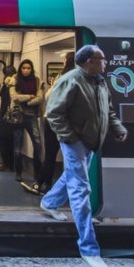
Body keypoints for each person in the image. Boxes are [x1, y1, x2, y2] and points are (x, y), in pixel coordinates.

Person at [40, 45, 128, 267]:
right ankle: (89, 249)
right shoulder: (72, 80)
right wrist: (70, 138)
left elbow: (108, 109)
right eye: (102, 58)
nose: (106, 62)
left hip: (90, 141)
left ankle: (49, 202)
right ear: (89, 61)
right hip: (75, 141)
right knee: (81, 188)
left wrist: (116, 127)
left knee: (72, 176)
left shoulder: (99, 81)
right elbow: (53, 113)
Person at [40, 52, 74, 192]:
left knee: (50, 153)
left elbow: (49, 97)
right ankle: (67, 186)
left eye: (65, 60)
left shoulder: (62, 77)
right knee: (71, 156)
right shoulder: (79, 77)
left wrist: (53, 86)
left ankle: (45, 183)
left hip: (53, 120)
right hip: (69, 122)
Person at [8, 59, 44, 189]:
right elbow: (14, 97)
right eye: (24, 68)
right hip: (18, 115)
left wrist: (27, 101)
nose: (26, 70)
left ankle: (37, 173)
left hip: (31, 115)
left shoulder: (37, 80)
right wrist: (30, 97)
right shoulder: (14, 79)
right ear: (20, 69)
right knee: (18, 146)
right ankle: (18, 172)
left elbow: (40, 98)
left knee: (38, 145)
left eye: (29, 68)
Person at [0, 65, 18, 171]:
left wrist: (1, 118)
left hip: (7, 115)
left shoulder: (9, 84)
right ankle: (10, 164)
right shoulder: (12, 83)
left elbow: (5, 103)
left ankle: (7, 164)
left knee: (4, 140)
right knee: (9, 140)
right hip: (9, 115)